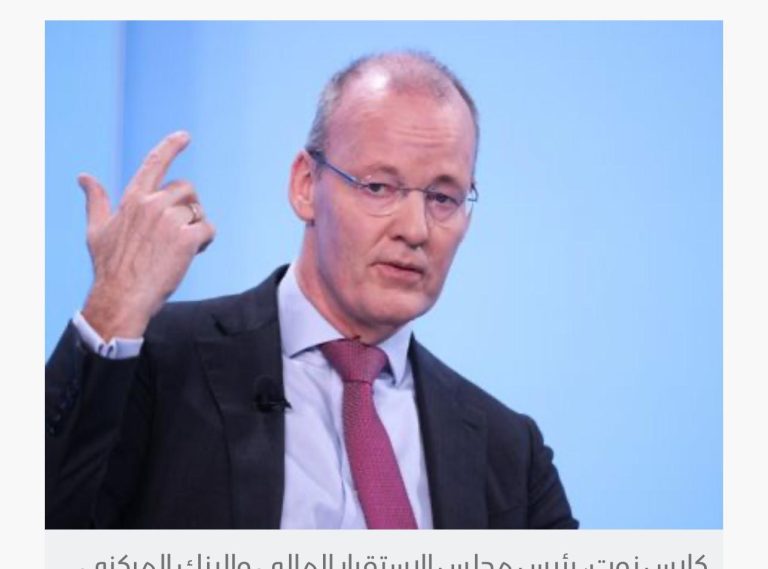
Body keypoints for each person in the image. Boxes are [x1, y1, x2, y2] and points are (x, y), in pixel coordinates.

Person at [45, 51, 577, 529]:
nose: (416, 230)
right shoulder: (158, 362)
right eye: (379, 187)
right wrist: (113, 305)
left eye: (443, 197)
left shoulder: (510, 454)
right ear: (305, 185)